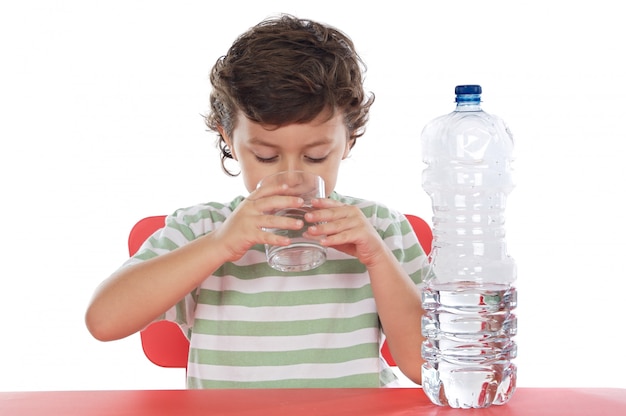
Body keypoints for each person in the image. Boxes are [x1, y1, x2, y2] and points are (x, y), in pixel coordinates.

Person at [85, 14, 426, 388]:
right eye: (266, 157)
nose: (293, 177)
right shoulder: (201, 229)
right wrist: (218, 245)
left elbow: (425, 366)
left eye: (316, 157)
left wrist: (377, 258)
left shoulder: (378, 228)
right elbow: (104, 321)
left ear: (350, 139)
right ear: (229, 140)